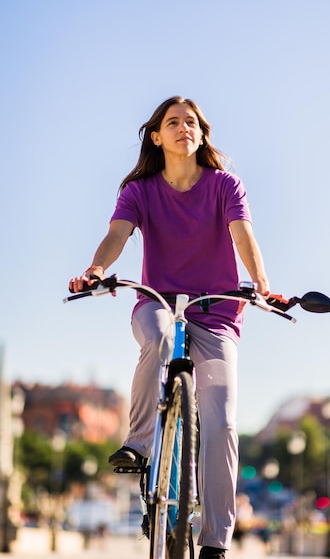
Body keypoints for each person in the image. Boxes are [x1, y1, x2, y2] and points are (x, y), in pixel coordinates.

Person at [69, 96, 270, 559]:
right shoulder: (140, 191)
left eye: (192, 122)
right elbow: (117, 234)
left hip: (216, 312)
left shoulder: (224, 186)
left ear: (202, 134)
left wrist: (261, 285)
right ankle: (139, 444)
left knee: (221, 421)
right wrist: (97, 268)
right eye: (173, 122)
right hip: (158, 303)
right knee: (158, 338)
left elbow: (243, 237)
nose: (185, 128)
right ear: (157, 136)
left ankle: (215, 542)